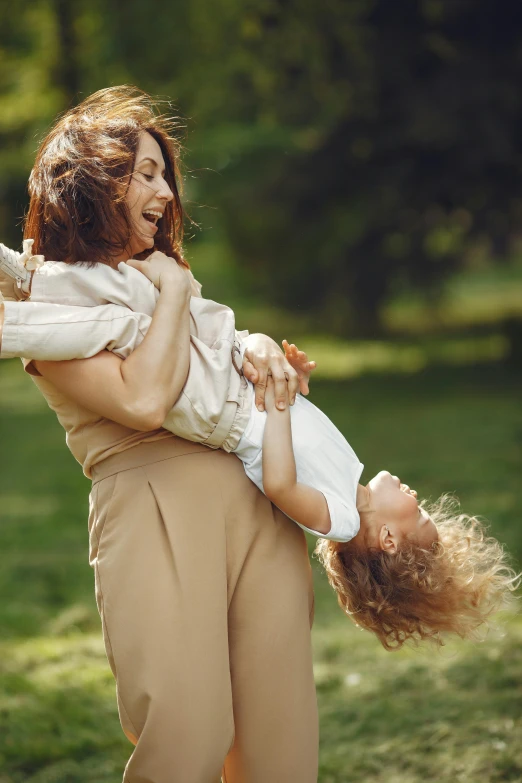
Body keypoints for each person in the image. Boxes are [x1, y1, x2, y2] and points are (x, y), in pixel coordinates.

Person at [1, 221, 518, 653]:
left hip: (217, 410)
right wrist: (290, 377)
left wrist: (278, 408)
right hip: (228, 387)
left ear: (387, 539)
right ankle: (22, 276)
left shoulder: (339, 519)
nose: (413, 493)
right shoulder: (350, 477)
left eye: (417, 511)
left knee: (125, 329)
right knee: (135, 302)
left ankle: (11, 324)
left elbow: (280, 484)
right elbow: (298, 431)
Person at [0, 85, 321, 783]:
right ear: (90, 185)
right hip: (153, 510)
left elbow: (212, 349)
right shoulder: (52, 306)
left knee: (281, 747)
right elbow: (144, 400)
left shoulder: (161, 280)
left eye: (164, 174)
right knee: (186, 736)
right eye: (143, 173)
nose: (166, 192)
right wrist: (175, 290)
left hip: (259, 501)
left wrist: (259, 343)